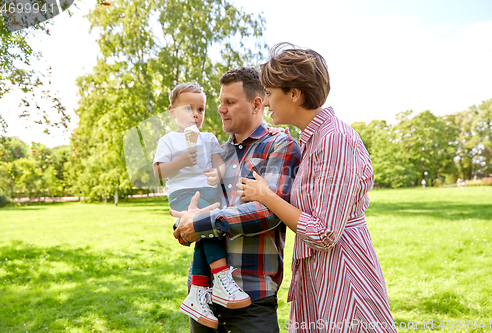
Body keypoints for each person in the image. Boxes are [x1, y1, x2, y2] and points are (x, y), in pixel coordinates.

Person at [237, 43, 397, 332]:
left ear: (294, 94)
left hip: (344, 275)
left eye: (271, 93)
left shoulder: (335, 139)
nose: (267, 101)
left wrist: (265, 196)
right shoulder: (313, 139)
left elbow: (323, 233)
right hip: (321, 271)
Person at [170, 67, 302, 332]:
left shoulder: (280, 145)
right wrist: (184, 224)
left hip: (251, 296)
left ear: (256, 104)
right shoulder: (216, 152)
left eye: (229, 102)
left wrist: (201, 223)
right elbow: (192, 207)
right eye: (220, 101)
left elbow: (269, 212)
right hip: (203, 297)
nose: (220, 108)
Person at [153, 83, 251, 329]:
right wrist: (182, 160)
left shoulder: (208, 138)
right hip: (182, 194)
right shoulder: (168, 140)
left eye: (201, 109)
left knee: (208, 230)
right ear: (172, 112)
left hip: (207, 192)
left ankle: (198, 292)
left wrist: (216, 175)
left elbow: (219, 164)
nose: (196, 114)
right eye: (188, 109)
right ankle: (220, 277)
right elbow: (159, 171)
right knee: (207, 228)